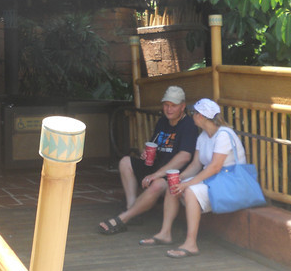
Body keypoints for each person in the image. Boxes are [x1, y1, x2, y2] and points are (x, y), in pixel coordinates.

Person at [140, 97, 248, 258]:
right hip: (213, 180)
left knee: (190, 191)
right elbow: (196, 165)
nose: (192, 116)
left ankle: (191, 244)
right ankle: (165, 233)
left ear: (201, 116)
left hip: (230, 183)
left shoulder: (224, 135)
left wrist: (187, 184)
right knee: (173, 185)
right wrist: (179, 179)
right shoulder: (203, 136)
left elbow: (214, 167)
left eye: (194, 113)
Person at [98, 85, 198, 234]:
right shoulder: (162, 122)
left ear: (182, 107)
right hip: (157, 168)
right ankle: (132, 209)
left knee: (158, 183)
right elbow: (154, 145)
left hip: (172, 175)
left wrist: (157, 174)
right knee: (125, 162)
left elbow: (185, 156)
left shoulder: (188, 125)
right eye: (166, 105)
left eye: (173, 106)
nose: (169, 109)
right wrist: (146, 153)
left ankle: (123, 218)